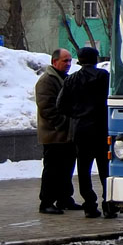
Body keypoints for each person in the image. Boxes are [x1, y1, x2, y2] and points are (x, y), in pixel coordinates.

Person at [57, 47, 116, 219]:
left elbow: (60, 105)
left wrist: (76, 115)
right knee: (106, 169)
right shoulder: (104, 77)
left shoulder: (71, 79)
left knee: (84, 169)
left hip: (81, 130)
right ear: (96, 59)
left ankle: (89, 205)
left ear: (80, 60)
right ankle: (108, 204)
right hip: (101, 128)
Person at [35, 48, 77, 215]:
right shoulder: (47, 81)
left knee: (66, 168)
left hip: (66, 135)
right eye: (65, 61)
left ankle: (64, 199)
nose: (68, 64)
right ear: (54, 62)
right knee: (52, 169)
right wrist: (64, 124)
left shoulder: (63, 79)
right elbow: (47, 108)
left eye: (69, 61)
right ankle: (46, 202)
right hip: (54, 135)